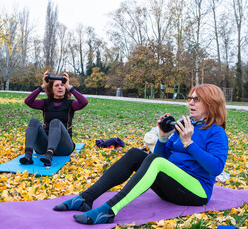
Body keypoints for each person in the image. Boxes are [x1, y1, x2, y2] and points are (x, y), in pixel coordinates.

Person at [53, 84, 229, 225]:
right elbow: (163, 157)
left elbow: (216, 168)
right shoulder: (183, 124)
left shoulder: (216, 132)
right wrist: (162, 137)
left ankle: (110, 210)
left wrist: (189, 143)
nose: (190, 102)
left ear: (211, 104)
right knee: (135, 154)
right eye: (190, 98)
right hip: (172, 188)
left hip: (196, 192)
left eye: (196, 99)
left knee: (154, 160)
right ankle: (85, 198)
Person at [20, 71, 88, 166]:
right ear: (51, 89)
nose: (60, 87)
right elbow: (28, 101)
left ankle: (49, 155)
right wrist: (42, 86)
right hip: (45, 145)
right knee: (33, 121)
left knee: (55, 121)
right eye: (56, 85)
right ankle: (28, 155)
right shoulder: (45, 103)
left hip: (64, 147)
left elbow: (84, 102)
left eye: (62, 85)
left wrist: (70, 87)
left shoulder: (70, 104)